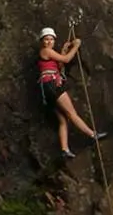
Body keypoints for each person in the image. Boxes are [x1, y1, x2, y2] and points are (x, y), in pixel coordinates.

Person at [37, 27, 107, 160]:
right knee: (72, 113)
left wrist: (64, 50)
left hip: (47, 89)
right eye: (46, 39)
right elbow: (67, 59)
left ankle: (64, 149)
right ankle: (93, 135)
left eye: (51, 39)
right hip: (52, 85)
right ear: (42, 41)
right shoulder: (46, 51)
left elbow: (60, 65)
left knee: (63, 120)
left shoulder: (48, 54)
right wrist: (76, 46)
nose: (49, 42)